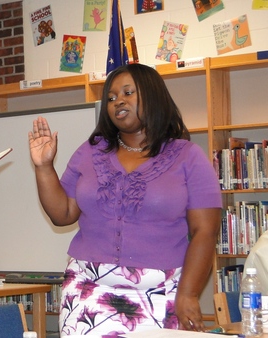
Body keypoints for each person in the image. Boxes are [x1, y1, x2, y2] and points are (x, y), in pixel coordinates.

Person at [28, 63, 222, 336]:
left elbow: (205, 230)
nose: (118, 100)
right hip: (89, 289)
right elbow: (63, 215)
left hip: (162, 291)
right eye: (111, 97)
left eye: (128, 92)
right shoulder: (90, 152)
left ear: (153, 96)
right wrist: (44, 167)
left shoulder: (188, 156)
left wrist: (188, 294)